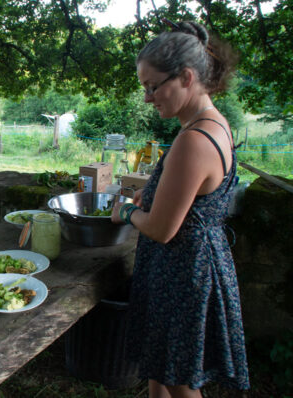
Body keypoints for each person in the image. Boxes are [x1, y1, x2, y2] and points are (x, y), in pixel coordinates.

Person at [111, 21, 250, 398]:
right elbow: (192, 200)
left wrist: (125, 212)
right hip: (184, 268)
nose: (147, 97)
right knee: (160, 372)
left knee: (180, 384)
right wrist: (152, 197)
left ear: (186, 77)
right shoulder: (213, 124)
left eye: (152, 86)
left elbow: (161, 229)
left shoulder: (194, 140)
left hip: (183, 274)